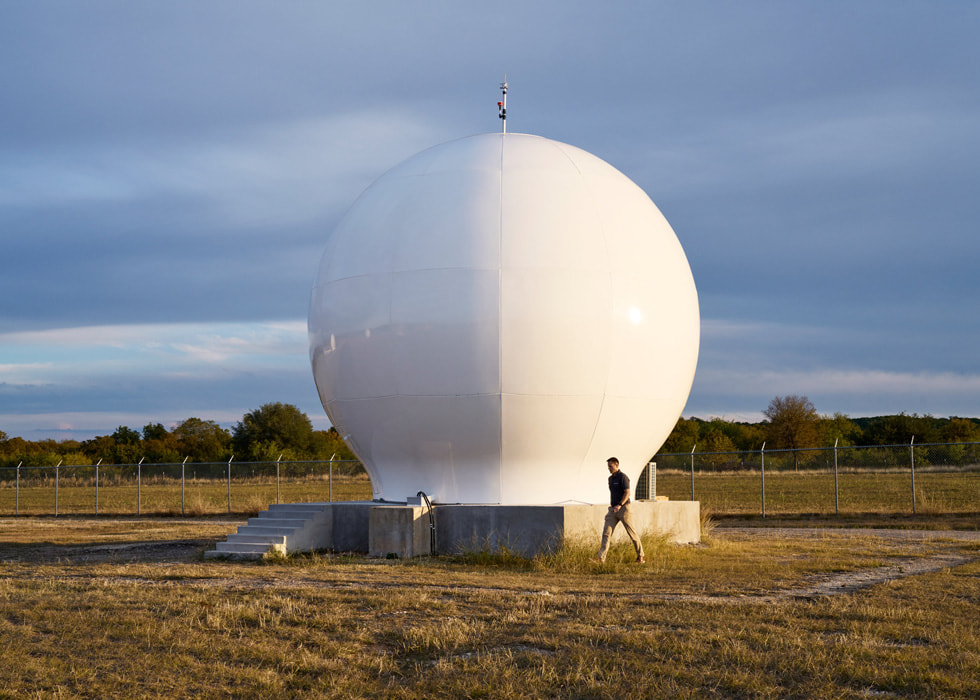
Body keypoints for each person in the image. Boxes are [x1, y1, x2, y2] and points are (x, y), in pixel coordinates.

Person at [596, 457, 645, 563]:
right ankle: (601, 558)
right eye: (608, 466)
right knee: (606, 533)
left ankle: (640, 556)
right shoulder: (610, 479)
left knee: (631, 532)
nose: (609, 468)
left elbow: (627, 493)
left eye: (611, 466)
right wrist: (614, 506)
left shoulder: (623, 477)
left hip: (624, 508)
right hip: (613, 510)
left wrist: (620, 504)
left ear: (617, 465)